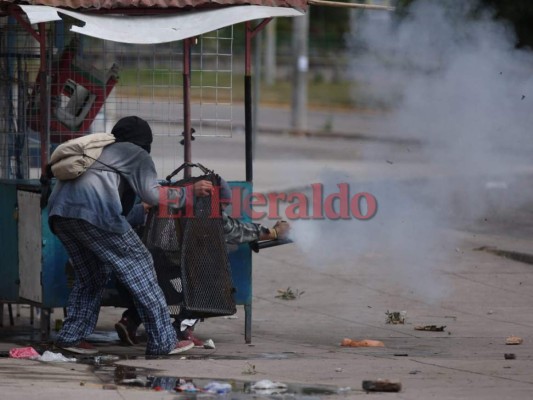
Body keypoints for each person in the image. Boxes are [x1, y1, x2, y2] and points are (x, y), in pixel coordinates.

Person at [48, 116, 213, 356]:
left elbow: (120, 198)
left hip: (61, 214)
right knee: (142, 266)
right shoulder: (136, 153)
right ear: (145, 142)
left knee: (91, 276)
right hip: (96, 213)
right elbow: (153, 195)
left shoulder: (99, 149)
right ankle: (164, 341)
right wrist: (189, 192)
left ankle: (71, 337)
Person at [114, 178, 291, 347]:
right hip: (172, 270)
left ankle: (130, 320)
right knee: (208, 281)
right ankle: (182, 330)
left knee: (155, 289)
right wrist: (271, 232)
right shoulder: (202, 212)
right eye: (222, 205)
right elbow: (232, 230)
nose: (222, 210)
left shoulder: (170, 200)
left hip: (147, 269)